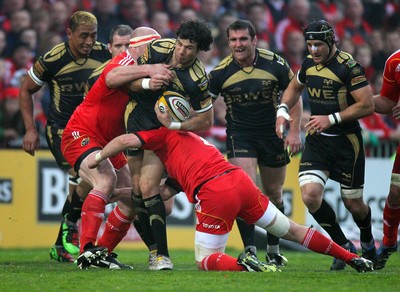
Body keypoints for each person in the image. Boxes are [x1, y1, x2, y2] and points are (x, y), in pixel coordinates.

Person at [86, 123, 374, 273]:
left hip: (214, 191)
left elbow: (125, 141)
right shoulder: (192, 141)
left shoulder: (160, 137)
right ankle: (353, 258)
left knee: (205, 259)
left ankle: (244, 264)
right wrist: (115, 195)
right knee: (294, 230)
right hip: (239, 181)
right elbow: (161, 192)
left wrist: (97, 158)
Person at [61, 26, 173, 270]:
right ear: (142, 47)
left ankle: (102, 251)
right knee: (105, 179)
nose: (158, 54)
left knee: (133, 199)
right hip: (81, 133)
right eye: (154, 48)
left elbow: (137, 85)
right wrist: (150, 69)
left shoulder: (138, 67)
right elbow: (112, 78)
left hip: (111, 142)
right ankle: (87, 249)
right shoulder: (125, 60)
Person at [275, 19, 377, 271]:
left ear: (331, 42)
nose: (313, 50)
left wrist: (331, 118)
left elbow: (367, 105)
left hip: (347, 143)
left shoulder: (349, 68)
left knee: (354, 204)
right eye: (310, 45)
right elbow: (294, 87)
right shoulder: (309, 64)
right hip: (318, 141)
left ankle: (367, 238)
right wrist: (282, 109)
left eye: (318, 44)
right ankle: (344, 248)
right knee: (310, 196)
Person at [19, 11, 111, 263]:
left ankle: (62, 242)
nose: (89, 42)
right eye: (83, 36)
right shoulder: (52, 59)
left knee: (89, 183)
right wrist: (30, 128)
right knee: (86, 177)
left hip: (93, 130)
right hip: (63, 131)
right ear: (69, 33)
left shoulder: (105, 52)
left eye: (93, 36)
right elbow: (26, 90)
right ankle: (68, 236)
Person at [208, 19, 302, 267]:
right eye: (233, 40)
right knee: (244, 191)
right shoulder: (220, 73)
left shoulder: (275, 63)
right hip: (240, 135)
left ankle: (273, 249)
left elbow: (295, 94)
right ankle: (249, 249)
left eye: (243, 39)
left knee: (274, 194)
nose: (238, 45)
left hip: (273, 134)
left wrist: (294, 132)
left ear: (254, 40)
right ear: (228, 42)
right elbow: (203, 105)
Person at [123, 19, 214, 270]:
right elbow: (128, 83)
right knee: (136, 191)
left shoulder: (197, 79)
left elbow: (207, 120)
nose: (182, 51)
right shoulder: (157, 48)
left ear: (199, 51)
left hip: (162, 129)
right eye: (180, 44)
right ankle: (154, 251)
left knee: (148, 185)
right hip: (136, 118)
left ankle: (162, 256)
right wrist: (147, 81)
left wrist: (175, 126)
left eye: (189, 48)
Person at [372, 49, 400, 270]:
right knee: (395, 193)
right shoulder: (394, 61)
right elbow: (387, 101)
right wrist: (355, 102)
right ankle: (389, 243)